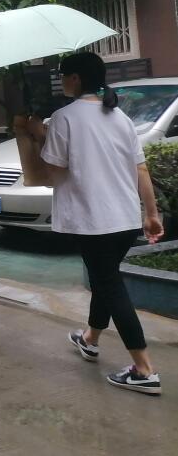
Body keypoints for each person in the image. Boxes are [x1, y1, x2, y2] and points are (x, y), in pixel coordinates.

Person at [15, 51, 163, 396]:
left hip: (93, 221)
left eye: (63, 75)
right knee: (104, 279)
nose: (61, 80)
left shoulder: (64, 118)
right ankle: (90, 338)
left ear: (76, 78)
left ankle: (144, 369)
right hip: (125, 218)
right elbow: (140, 169)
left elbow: (54, 171)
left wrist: (39, 134)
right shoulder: (120, 117)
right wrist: (151, 214)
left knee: (109, 284)